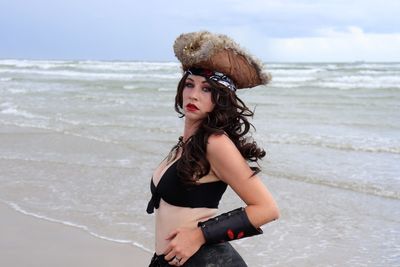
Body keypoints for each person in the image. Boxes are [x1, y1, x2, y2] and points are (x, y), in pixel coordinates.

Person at [146, 31, 280, 267]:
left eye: (206, 89)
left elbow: (267, 209)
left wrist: (199, 235)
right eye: (189, 85)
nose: (194, 95)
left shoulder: (215, 143)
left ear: (220, 97)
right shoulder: (186, 143)